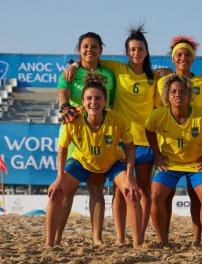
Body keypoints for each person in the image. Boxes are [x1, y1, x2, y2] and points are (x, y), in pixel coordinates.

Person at [62, 25, 159, 244]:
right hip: (119, 140)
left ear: (146, 52)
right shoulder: (116, 68)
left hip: (143, 141)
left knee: (142, 191)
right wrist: (74, 63)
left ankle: (139, 235)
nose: (136, 53)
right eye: (132, 49)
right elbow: (90, 60)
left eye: (140, 49)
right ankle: (119, 237)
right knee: (120, 191)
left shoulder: (153, 78)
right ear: (127, 53)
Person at [46, 74, 142, 248]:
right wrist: (59, 178)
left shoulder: (117, 119)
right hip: (82, 161)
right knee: (56, 192)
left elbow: (130, 148)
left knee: (131, 192)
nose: (93, 102)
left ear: (105, 101)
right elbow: (62, 149)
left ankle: (137, 245)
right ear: (82, 101)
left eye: (98, 98)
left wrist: (130, 177)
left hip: (111, 161)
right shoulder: (72, 120)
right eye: (89, 98)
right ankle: (50, 243)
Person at [145, 74, 202, 250]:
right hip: (169, 164)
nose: (177, 94)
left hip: (196, 164)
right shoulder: (159, 115)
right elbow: (149, 130)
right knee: (156, 196)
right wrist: (157, 154)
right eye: (173, 91)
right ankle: (163, 241)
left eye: (182, 91)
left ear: (189, 94)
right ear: (167, 95)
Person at [56, 32, 116, 245]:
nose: (90, 50)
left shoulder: (109, 74)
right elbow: (63, 92)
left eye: (94, 46)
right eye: (85, 46)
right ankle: (57, 237)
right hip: (77, 134)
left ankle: (97, 238)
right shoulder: (70, 71)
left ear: (101, 50)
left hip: (100, 136)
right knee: (67, 190)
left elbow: (112, 105)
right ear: (79, 50)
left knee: (96, 188)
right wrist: (65, 107)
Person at [154, 36, 202, 245]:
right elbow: (156, 112)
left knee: (197, 196)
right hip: (169, 150)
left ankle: (198, 239)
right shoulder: (161, 82)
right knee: (164, 196)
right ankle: (164, 239)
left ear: (193, 58)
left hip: (196, 147)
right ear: (172, 58)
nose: (183, 57)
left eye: (187, 54)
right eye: (179, 54)